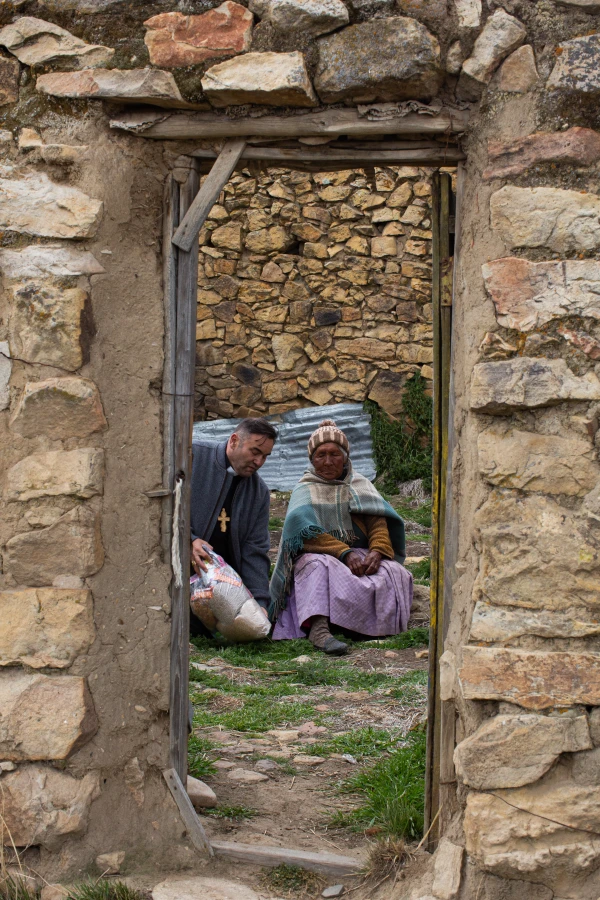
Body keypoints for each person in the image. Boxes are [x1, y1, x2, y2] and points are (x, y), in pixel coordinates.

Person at [269, 419, 412, 655]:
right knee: (314, 566)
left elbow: (377, 523)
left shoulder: (360, 484)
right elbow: (304, 534)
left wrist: (377, 551)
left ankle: (370, 629)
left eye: (334, 454)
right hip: (323, 556)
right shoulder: (304, 489)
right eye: (320, 455)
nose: (327, 461)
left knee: (394, 572)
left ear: (345, 457)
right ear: (312, 460)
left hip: (360, 554)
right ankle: (319, 629)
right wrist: (343, 553)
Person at [190, 417, 278, 630]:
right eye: (255, 452)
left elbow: (254, 549)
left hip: (223, 583)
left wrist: (259, 602)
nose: (259, 462)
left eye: (265, 456)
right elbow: (162, 509)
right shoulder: (193, 457)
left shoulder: (258, 492)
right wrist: (188, 540)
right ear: (234, 441)